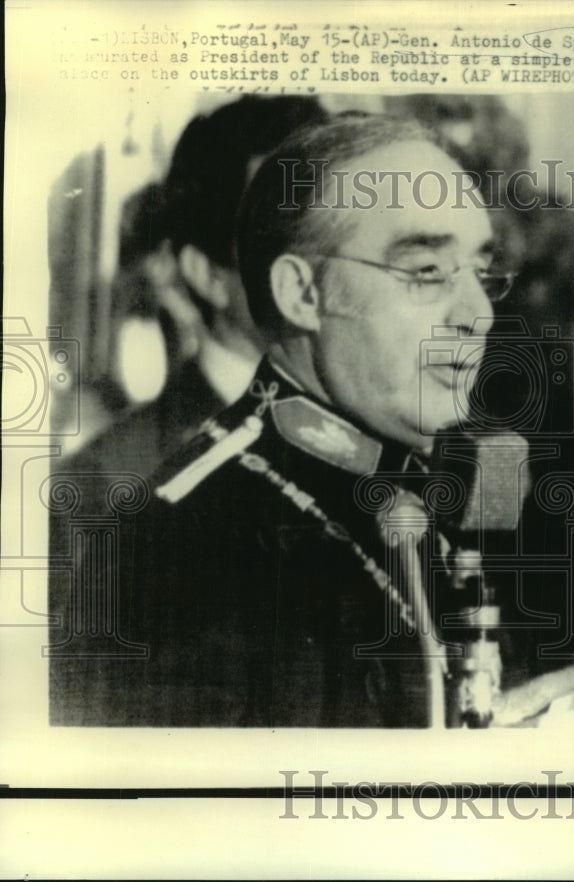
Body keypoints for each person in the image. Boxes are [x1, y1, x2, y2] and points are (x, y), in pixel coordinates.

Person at [49, 113, 518, 727]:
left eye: (480, 272)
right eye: (426, 272)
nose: (477, 313)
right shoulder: (179, 555)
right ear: (302, 294)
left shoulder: (424, 489)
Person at [60, 96, 329, 479]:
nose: (332, 265)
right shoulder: (106, 485)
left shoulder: (409, 452)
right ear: (207, 275)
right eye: (292, 238)